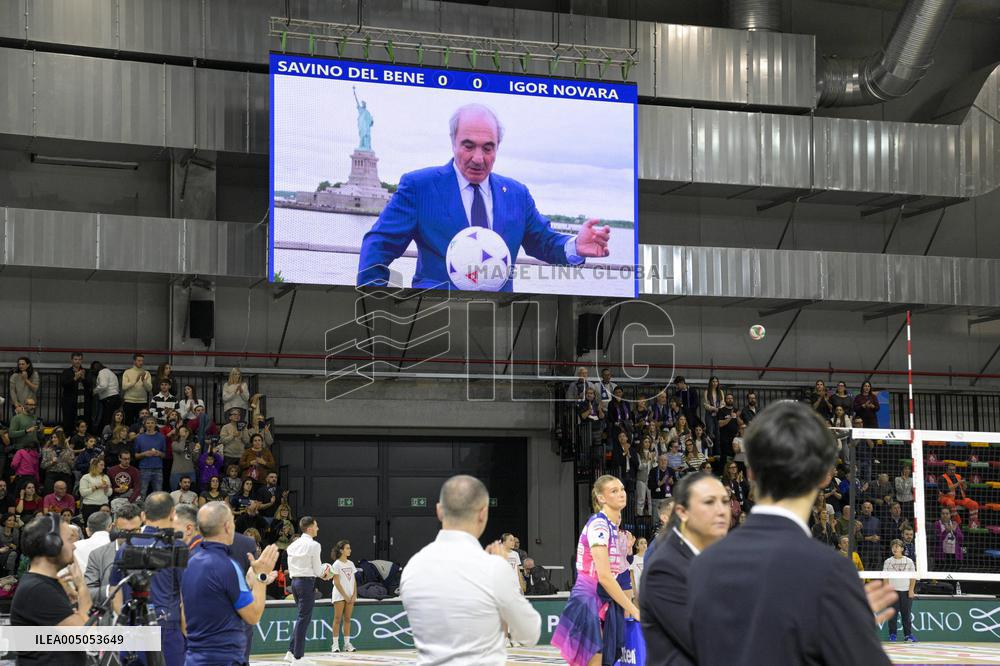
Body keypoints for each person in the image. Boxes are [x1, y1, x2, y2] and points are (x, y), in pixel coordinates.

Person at [686, 400, 894, 665]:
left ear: (750, 472)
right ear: (825, 476)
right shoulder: (831, 572)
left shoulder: (703, 565)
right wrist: (851, 628)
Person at [357, 103, 610, 291]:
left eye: (488, 148)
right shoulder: (419, 187)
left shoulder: (517, 195)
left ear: (498, 147)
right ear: (453, 142)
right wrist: (376, 304)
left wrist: (576, 246)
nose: (478, 158)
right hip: (433, 318)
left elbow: (543, 241)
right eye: (469, 146)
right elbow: (379, 245)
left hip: (499, 321)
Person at [401, 475, 540, 664]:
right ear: (483, 513)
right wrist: (503, 571)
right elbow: (529, 633)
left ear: (439, 511)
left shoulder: (413, 567)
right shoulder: (494, 568)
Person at [638, 471, 730, 666]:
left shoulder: (713, 556)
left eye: (725, 501)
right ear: (682, 512)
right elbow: (708, 640)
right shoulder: (664, 568)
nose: (721, 510)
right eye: (709, 502)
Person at [552, 475, 638, 666]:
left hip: (604, 598)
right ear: (601, 498)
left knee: (606, 657)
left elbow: (617, 572)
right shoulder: (599, 525)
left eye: (622, 489)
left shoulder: (614, 527)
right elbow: (605, 576)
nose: (621, 493)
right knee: (595, 658)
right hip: (590, 597)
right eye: (614, 491)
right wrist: (633, 609)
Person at [182, 502, 278, 666]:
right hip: (225, 659)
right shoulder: (228, 566)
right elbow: (253, 615)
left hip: (194, 658)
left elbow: (184, 619)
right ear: (227, 526)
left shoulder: (189, 562)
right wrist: (261, 576)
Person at [109, 492, 186, 666]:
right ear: (173, 513)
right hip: (166, 629)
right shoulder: (177, 548)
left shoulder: (126, 546)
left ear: (143, 515)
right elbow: (186, 598)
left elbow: (114, 591)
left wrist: (127, 619)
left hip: (132, 629)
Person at [10, 514, 92, 666]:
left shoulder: (44, 585)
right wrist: (82, 587)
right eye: (69, 540)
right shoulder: (38, 590)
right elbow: (88, 637)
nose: (74, 546)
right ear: (52, 545)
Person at [284, 516, 327, 664]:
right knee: (304, 619)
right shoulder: (314, 545)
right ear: (309, 528)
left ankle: (291, 652)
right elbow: (318, 570)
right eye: (316, 526)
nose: (318, 528)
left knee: (301, 618)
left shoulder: (292, 545)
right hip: (306, 583)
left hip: (294, 583)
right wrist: (326, 573)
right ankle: (298, 658)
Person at [85, 502, 142, 606]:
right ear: (114, 527)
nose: (130, 536)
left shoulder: (151, 552)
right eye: (124, 532)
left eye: (135, 531)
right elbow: (87, 592)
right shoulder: (97, 555)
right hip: (111, 614)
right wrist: (109, 590)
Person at [883, 539, 917, 643]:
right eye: (893, 546)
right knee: (892, 615)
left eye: (897, 546)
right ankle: (892, 635)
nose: (895, 548)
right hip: (892, 592)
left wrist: (911, 590)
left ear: (902, 548)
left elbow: (913, 577)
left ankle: (908, 635)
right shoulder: (888, 561)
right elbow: (885, 578)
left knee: (906, 615)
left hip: (906, 592)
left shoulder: (909, 561)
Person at [329, 540, 358, 654]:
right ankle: (335, 644)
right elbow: (336, 582)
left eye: (349, 548)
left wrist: (354, 594)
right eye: (347, 548)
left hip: (350, 596)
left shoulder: (351, 563)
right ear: (341, 550)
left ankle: (347, 644)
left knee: (347, 619)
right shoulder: (336, 564)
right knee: (337, 619)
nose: (350, 550)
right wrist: (345, 596)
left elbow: (353, 580)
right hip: (339, 595)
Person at [939, 462, 980, 528]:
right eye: (950, 469)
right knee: (951, 503)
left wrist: (964, 485)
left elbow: (965, 489)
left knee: (974, 504)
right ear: (946, 470)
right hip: (945, 498)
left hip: (959, 498)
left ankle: (973, 522)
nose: (952, 471)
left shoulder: (958, 476)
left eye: (953, 469)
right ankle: (957, 522)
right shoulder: (942, 478)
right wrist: (958, 483)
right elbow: (945, 490)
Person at [134, 416, 167, 497]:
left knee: (158, 493)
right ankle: (141, 505)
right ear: (145, 425)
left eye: (152, 423)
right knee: (142, 492)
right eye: (148, 423)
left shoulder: (161, 437)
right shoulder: (139, 438)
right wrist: (144, 454)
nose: (150, 425)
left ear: (155, 424)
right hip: (144, 468)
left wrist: (159, 453)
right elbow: (135, 455)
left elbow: (164, 455)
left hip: (158, 469)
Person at [121, 353, 153, 427]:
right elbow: (124, 387)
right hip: (129, 401)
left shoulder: (147, 373)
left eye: (142, 361)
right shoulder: (127, 372)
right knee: (128, 423)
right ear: (134, 361)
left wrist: (143, 380)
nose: (141, 362)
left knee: (143, 423)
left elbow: (149, 388)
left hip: (142, 402)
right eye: (139, 361)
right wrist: (135, 380)